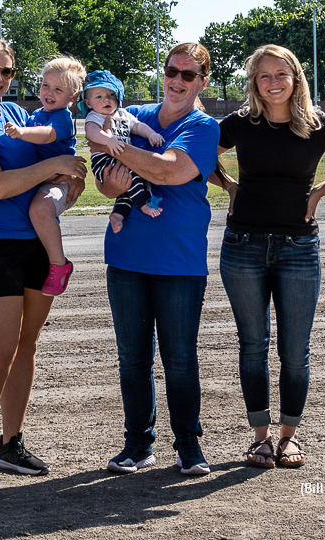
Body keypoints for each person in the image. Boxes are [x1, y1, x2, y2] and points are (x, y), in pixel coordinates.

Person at [212, 44, 325, 469]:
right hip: (243, 245)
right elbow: (199, 157)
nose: (273, 82)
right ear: (254, 82)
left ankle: (289, 437)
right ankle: (261, 439)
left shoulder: (318, 125)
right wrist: (228, 185)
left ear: (296, 78)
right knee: (252, 346)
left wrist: (320, 191)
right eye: (264, 75)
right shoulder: (239, 123)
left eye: (281, 74)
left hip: (299, 249)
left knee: (295, 350)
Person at [0, 38, 87, 490]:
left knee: (26, 345)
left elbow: (61, 173)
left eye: (7, 71)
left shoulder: (17, 115)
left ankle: (11, 444)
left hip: (35, 243)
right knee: (1, 348)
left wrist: (68, 183)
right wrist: (58, 165)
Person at [91, 43, 219, 476]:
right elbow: (106, 182)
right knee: (132, 358)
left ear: (203, 82)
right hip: (126, 255)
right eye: (171, 71)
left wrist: (114, 148)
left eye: (189, 74)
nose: (177, 81)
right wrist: (113, 174)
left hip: (180, 260)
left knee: (180, 359)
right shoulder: (133, 115)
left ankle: (189, 446)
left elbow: (168, 169)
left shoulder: (203, 127)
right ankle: (137, 444)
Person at [2, 56, 86, 296]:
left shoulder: (62, 119)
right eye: (45, 85)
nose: (49, 93)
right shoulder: (39, 112)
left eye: (58, 90)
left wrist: (22, 132)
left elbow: (47, 134)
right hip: (45, 178)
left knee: (40, 210)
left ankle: (59, 264)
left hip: (60, 182)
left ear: (73, 97)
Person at [81, 70, 166, 234]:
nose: (106, 99)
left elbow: (138, 126)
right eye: (99, 96)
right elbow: (91, 132)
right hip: (104, 161)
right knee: (132, 175)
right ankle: (144, 203)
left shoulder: (124, 114)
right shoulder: (95, 116)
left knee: (128, 188)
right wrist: (108, 140)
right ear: (88, 103)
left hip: (121, 160)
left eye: (111, 94)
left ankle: (118, 215)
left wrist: (151, 134)